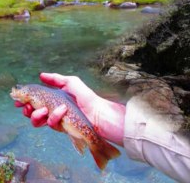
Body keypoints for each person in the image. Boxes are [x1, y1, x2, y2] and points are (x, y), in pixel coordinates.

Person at [14, 73, 190, 183]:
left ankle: (96, 145)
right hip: (75, 117)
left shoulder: (33, 90)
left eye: (17, 90)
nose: (14, 92)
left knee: (72, 128)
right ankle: (97, 146)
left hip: (75, 118)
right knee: (69, 127)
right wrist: (99, 113)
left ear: (27, 92)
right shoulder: (35, 93)